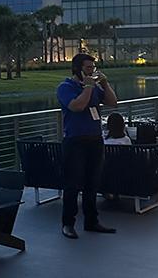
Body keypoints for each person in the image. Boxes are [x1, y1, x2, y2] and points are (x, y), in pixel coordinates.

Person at [56, 53, 118, 239]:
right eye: (88, 68)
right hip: (75, 141)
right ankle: (68, 223)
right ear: (78, 69)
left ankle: (92, 221)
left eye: (93, 68)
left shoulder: (95, 87)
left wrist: (105, 84)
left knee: (92, 182)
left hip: (95, 140)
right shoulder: (66, 87)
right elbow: (77, 106)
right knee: (73, 184)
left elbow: (112, 102)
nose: (92, 71)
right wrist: (89, 87)